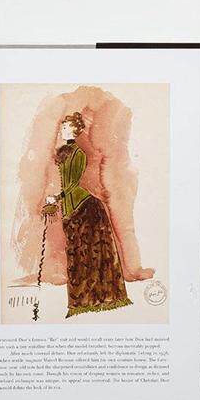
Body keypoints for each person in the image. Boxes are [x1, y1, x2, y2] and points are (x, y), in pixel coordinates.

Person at [41, 111, 132, 317]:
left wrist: (56, 198)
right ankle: (82, 301)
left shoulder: (79, 155)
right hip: (71, 209)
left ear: (75, 130)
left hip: (86, 208)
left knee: (89, 254)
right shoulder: (64, 153)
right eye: (62, 127)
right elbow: (65, 183)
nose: (62, 130)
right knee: (77, 253)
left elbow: (72, 184)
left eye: (66, 127)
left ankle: (92, 299)